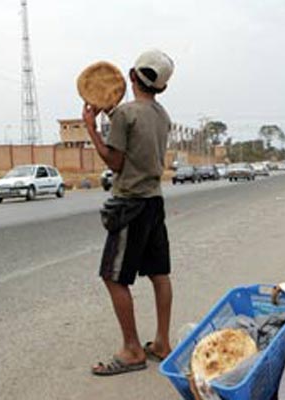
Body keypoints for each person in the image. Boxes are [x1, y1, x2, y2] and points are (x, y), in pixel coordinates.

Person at [82, 49, 175, 376]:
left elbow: (116, 161)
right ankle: (162, 343)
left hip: (130, 205)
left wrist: (92, 129)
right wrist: (110, 117)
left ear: (132, 76)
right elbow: (138, 138)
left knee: (113, 277)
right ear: (161, 87)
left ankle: (133, 349)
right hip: (154, 202)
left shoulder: (124, 115)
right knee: (158, 273)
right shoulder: (161, 115)